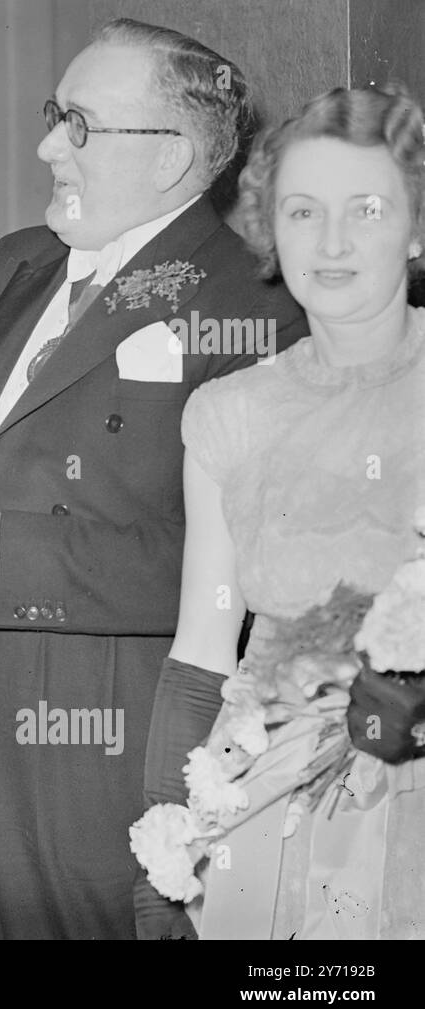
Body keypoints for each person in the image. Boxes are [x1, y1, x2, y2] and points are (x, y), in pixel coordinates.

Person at [0, 18, 306, 939]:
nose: (45, 145)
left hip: (93, 750)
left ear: (171, 155)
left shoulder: (255, 304)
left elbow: (237, 570)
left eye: (78, 123)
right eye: (51, 113)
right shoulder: (16, 262)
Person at [139, 83, 425, 940]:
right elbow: (201, 647)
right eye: (303, 211)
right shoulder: (232, 411)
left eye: (367, 209)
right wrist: (168, 839)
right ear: (270, 228)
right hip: (265, 787)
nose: (331, 242)